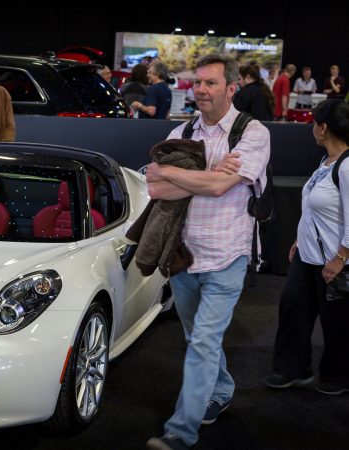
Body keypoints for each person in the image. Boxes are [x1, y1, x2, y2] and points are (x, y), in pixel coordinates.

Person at [144, 53, 270, 450]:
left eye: (210, 83)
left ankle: (180, 433)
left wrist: (179, 175)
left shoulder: (252, 134)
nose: (200, 89)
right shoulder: (182, 132)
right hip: (184, 254)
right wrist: (209, 175)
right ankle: (221, 389)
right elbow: (156, 188)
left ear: (232, 88)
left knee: (202, 342)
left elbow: (217, 188)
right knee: (195, 335)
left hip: (228, 255)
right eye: (197, 82)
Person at [265, 98, 349, 396]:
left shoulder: (347, 167)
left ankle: (338, 376)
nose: (311, 128)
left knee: (337, 323)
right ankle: (292, 369)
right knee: (293, 309)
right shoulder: (325, 162)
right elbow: (317, 209)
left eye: (314, 123)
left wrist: (340, 258)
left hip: (334, 261)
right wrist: (300, 240)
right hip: (307, 256)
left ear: (324, 128)